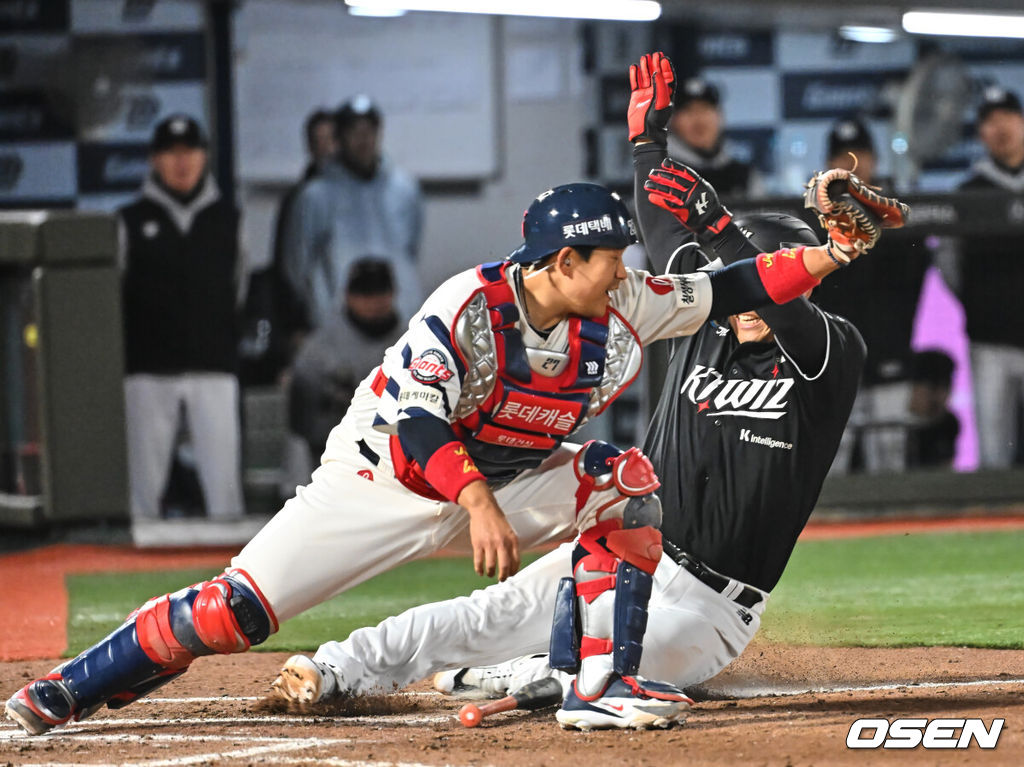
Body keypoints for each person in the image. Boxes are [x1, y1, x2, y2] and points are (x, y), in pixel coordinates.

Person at [5, 136, 862, 734]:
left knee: (622, 477)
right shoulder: (467, 307)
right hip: (389, 478)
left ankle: (599, 686)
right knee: (232, 612)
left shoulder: (622, 306)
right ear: (561, 263)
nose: (626, 271)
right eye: (609, 259)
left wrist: (831, 254)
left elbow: (741, 284)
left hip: (503, 478)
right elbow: (414, 425)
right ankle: (63, 692)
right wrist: (479, 500)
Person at [263, 53, 883, 712]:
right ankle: (336, 669)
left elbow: (764, 289)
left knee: (615, 665)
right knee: (477, 617)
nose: (750, 304)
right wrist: (647, 143)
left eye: (777, 283)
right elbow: (673, 230)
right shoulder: (704, 321)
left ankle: (523, 674)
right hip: (623, 551)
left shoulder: (829, 349)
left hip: (710, 606)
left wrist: (731, 230)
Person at [116, 114, 246, 522]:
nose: (181, 161)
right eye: (170, 152)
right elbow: (116, 294)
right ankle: (130, 574)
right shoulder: (130, 221)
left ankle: (235, 580)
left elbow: (239, 289)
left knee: (224, 490)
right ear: (155, 159)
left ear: (204, 156)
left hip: (214, 366)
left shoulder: (229, 219)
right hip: (148, 369)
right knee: (143, 489)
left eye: (189, 151)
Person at [812, 117, 930, 475]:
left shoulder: (899, 214)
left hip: (888, 349)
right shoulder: (812, 219)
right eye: (841, 157)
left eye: (860, 154)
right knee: (831, 459)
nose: (852, 164)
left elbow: (919, 282)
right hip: (833, 355)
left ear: (875, 159)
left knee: (891, 456)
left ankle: (897, 531)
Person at [281, 95, 424, 332]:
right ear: (340, 138)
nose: (363, 139)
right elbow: (298, 267)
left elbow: (411, 249)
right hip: (338, 329)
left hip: (397, 325)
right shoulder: (315, 196)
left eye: (369, 131)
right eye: (354, 131)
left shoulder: (404, 189)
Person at [941, 85, 1024, 467]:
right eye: (990, 121)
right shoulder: (968, 193)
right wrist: (982, 302)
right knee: (994, 453)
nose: (1001, 127)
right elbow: (949, 266)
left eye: (1007, 116)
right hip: (989, 340)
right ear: (981, 134)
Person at [241, 109, 340, 386]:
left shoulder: (359, 196)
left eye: (331, 139)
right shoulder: (299, 199)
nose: (327, 148)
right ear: (309, 146)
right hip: (312, 322)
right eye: (319, 140)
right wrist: (295, 325)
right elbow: (288, 266)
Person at [288, 257, 404, 462]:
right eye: (365, 294)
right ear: (348, 296)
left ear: (393, 293)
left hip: (398, 455)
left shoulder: (414, 340)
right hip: (336, 456)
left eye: (380, 292)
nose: (373, 301)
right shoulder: (319, 347)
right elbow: (301, 424)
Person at [666, 77, 762, 199]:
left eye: (705, 109)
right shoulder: (657, 177)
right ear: (672, 121)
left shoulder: (745, 178)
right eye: (688, 111)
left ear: (720, 116)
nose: (699, 120)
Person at [905, 350, 960, 470]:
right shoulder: (900, 428)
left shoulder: (948, 424)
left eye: (945, 387)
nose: (938, 397)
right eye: (931, 388)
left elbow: (946, 471)